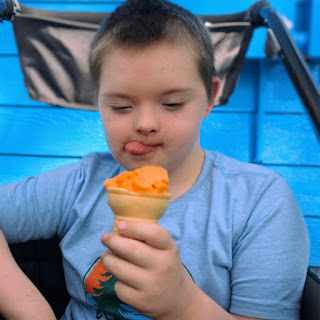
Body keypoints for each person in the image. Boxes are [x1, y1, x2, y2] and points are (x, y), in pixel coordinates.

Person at [0, 0, 309, 319]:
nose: (144, 123)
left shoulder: (258, 201)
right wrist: (33, 311)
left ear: (210, 97)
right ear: (99, 103)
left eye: (172, 103)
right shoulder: (81, 184)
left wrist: (185, 305)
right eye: (121, 106)